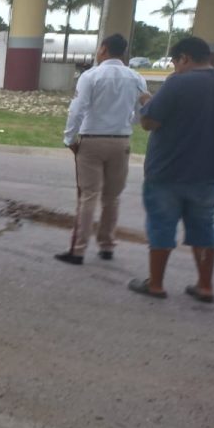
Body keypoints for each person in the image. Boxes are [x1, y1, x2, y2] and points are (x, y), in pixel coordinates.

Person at [129, 36, 214, 301]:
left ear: (184, 58)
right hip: (210, 170)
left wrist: (146, 102)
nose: (173, 67)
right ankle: (205, 286)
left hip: (168, 169)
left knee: (162, 225)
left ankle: (156, 284)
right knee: (204, 227)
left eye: (174, 62)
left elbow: (149, 122)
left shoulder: (178, 82)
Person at [55, 33, 150, 265]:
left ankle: (78, 250)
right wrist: (124, 122)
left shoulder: (91, 76)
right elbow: (141, 112)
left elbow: (77, 109)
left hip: (92, 140)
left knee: (88, 196)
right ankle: (107, 245)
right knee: (112, 197)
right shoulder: (136, 78)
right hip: (121, 141)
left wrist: (70, 138)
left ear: (104, 49)